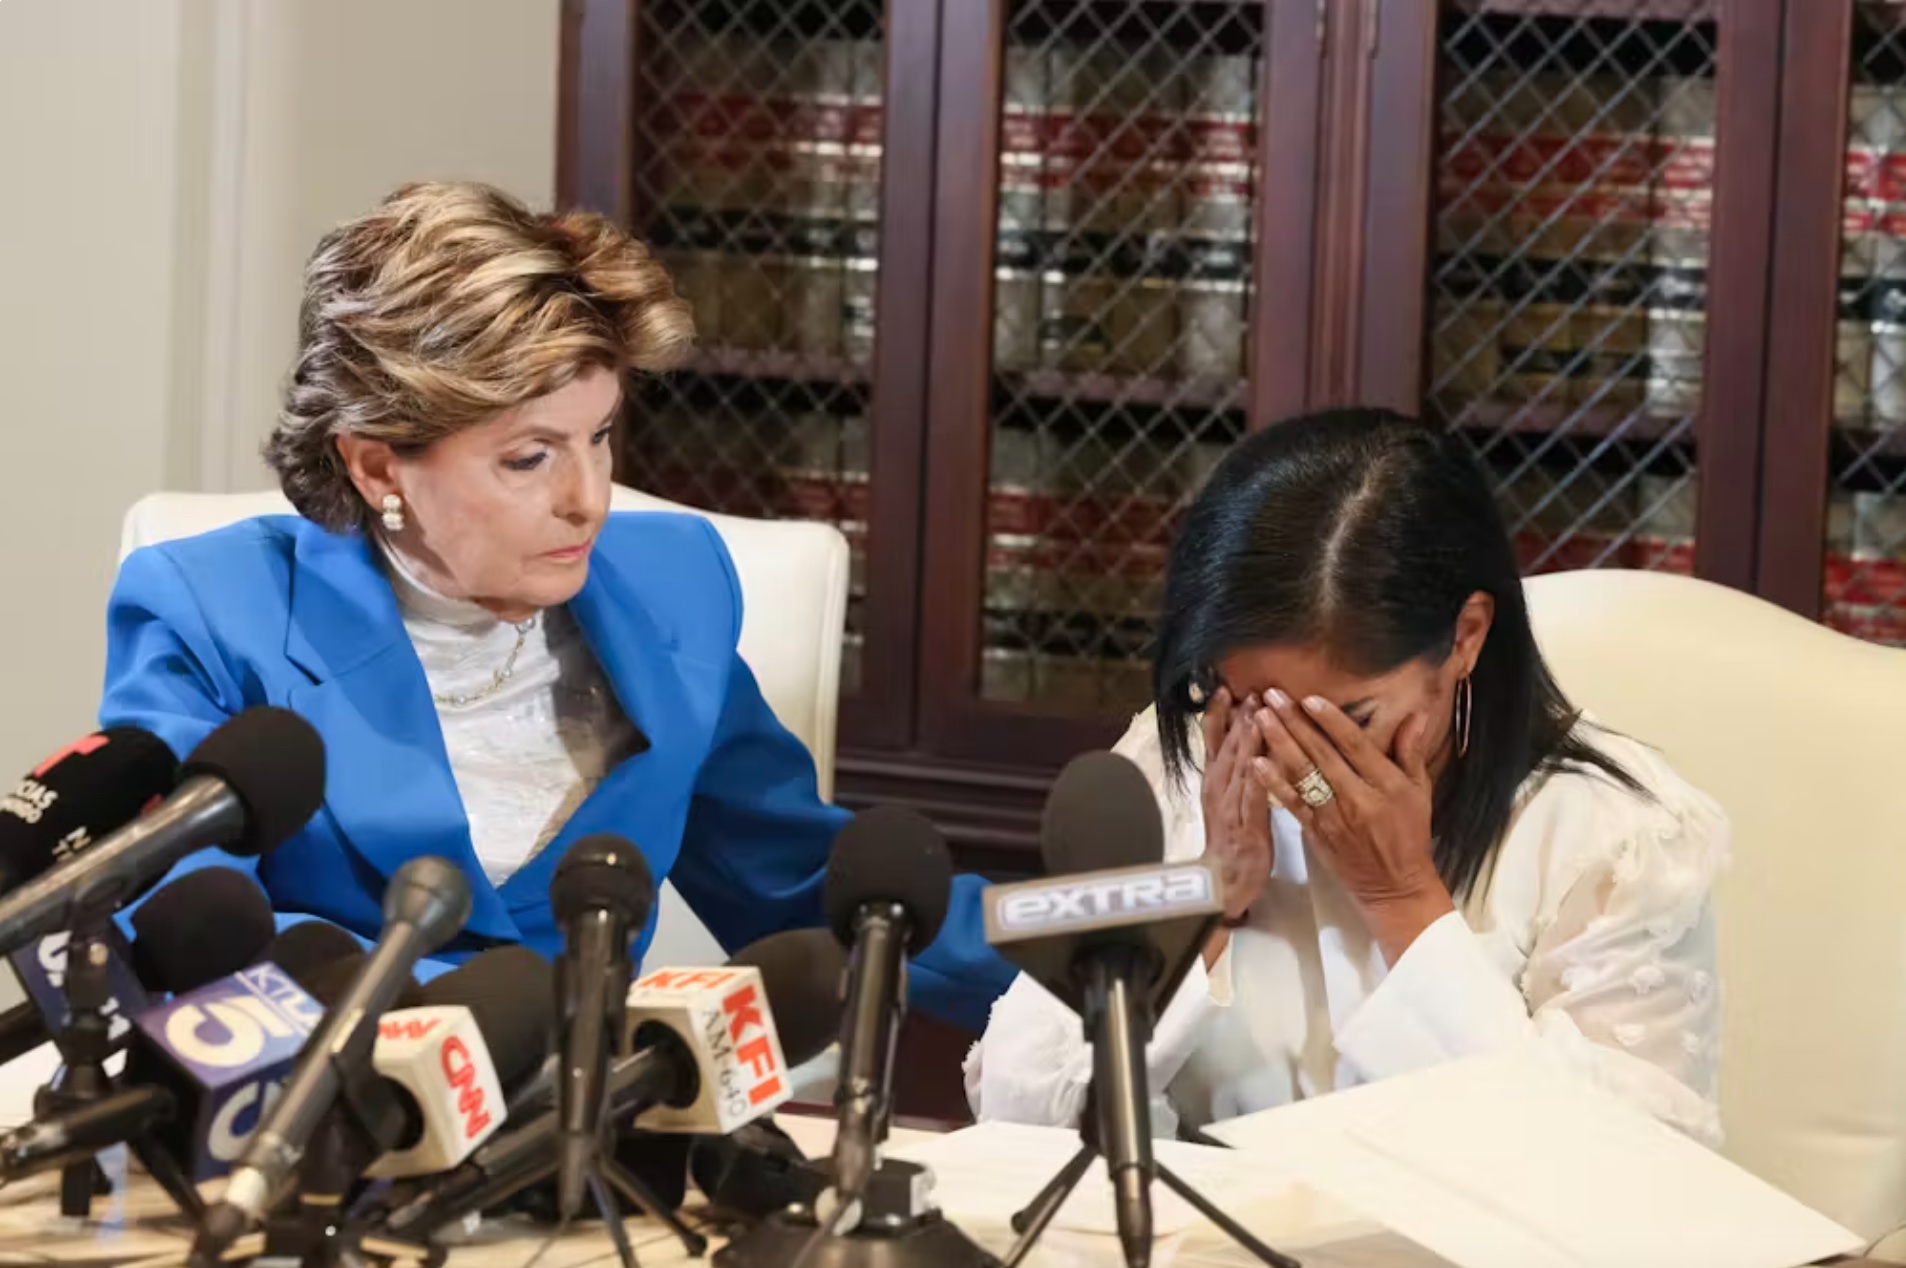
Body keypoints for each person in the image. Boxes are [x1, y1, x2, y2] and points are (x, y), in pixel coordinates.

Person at [98, 181, 1012, 1030]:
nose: (589, 499)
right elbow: (189, 931)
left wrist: (1100, 963)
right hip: (313, 1129)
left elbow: (803, 883)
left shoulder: (676, 592)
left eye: (601, 437)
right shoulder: (213, 612)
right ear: (378, 464)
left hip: (583, 1147)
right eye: (530, 457)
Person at [964, 409, 1729, 1143]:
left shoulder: (1621, 839)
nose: (1290, 758)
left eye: (1345, 722)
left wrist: (1402, 900)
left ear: (1465, 638)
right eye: (1251, 704)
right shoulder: (1180, 762)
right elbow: (1014, 1110)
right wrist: (1202, 899)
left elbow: (1619, 1183)